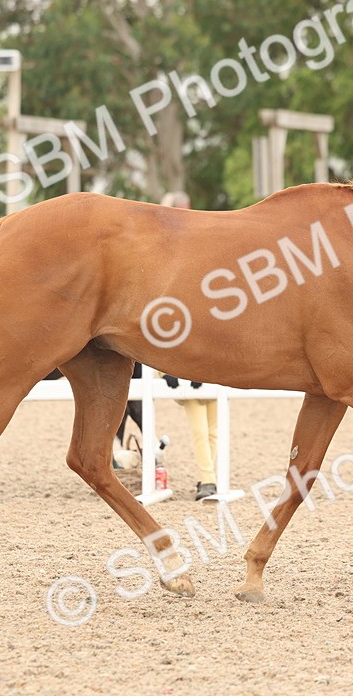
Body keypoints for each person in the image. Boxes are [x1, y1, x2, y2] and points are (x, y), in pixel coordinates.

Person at [159, 191, 219, 501]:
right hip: (180, 366)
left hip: (206, 364)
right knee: (200, 428)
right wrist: (167, 369)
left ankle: (211, 477)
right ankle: (207, 480)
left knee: (212, 427)